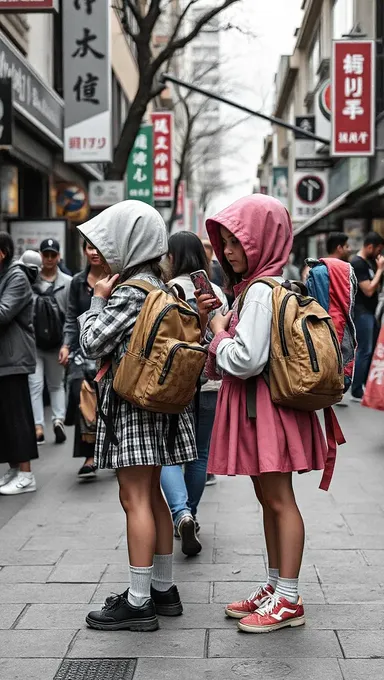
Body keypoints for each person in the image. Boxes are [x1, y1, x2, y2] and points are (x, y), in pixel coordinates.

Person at [196, 194, 330, 634]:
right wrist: (217, 332)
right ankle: (276, 587)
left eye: (237, 241)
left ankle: (287, 598)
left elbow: (246, 359)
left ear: (262, 241)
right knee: (269, 500)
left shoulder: (257, 292)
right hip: (265, 409)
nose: (228, 251)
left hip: (266, 410)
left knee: (278, 500)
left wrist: (216, 334)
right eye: (225, 242)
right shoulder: (258, 288)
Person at [78, 201, 197, 632]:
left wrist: (96, 300)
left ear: (130, 243)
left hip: (135, 410)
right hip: (161, 407)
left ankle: (138, 600)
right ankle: (163, 590)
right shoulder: (162, 287)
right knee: (155, 498)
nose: (100, 250)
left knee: (134, 500)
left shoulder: (129, 292)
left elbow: (92, 342)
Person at [161, 231, 228, 556]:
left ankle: (181, 513)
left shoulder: (168, 290)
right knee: (200, 454)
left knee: (168, 452)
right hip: (211, 380)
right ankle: (193, 514)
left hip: (179, 381)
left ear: (172, 256)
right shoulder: (215, 290)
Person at [61, 242, 104, 479]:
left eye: (98, 247)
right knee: (81, 395)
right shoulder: (77, 281)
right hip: (81, 350)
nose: (94, 252)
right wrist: (66, 345)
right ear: (83, 250)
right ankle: (90, 455)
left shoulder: (114, 278)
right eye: (89, 247)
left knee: (108, 400)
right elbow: (70, 318)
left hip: (108, 351)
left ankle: (112, 451)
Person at [0, 233, 39, 496]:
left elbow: (3, 313)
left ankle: (26, 474)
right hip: (4, 358)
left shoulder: (17, 276)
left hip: (13, 358)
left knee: (18, 417)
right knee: (6, 419)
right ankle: (14, 469)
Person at [28, 238, 72, 445]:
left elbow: (70, 316)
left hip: (57, 343)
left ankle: (58, 421)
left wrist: (67, 344)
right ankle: (38, 426)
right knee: (35, 385)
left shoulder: (67, 283)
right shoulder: (30, 280)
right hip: (34, 343)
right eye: (45, 254)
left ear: (58, 256)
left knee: (56, 385)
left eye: (52, 255)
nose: (49, 259)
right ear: (40, 255)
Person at [351, 232, 384, 402]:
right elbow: (369, 289)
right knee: (364, 350)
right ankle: (356, 389)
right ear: (370, 246)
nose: (379, 253)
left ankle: (363, 385)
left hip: (371, 312)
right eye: (378, 249)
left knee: (370, 351)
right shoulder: (357, 264)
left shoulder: (368, 263)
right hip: (362, 312)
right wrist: (380, 270)